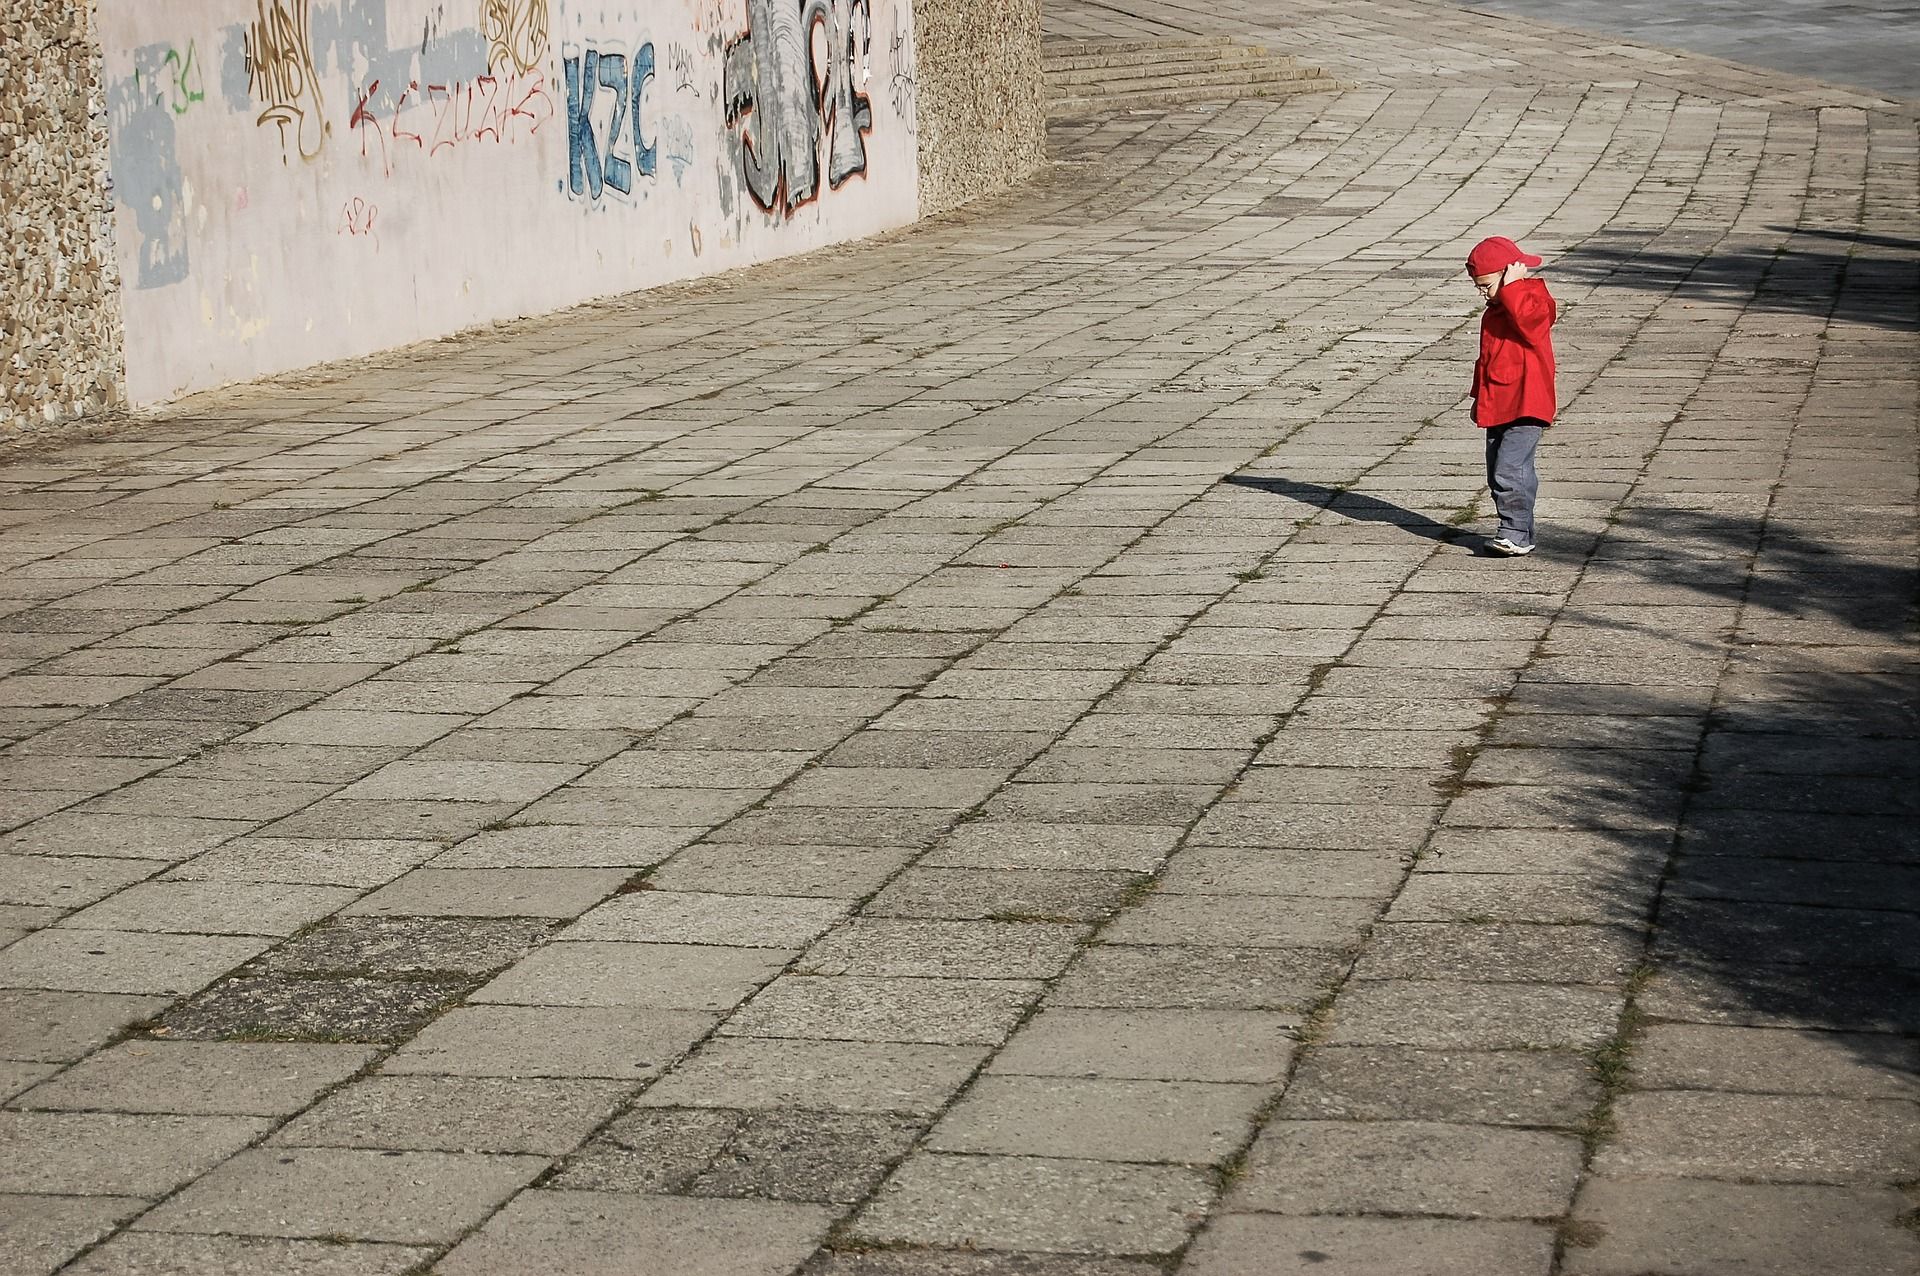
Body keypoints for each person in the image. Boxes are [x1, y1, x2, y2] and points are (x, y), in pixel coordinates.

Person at [1466, 235, 1557, 556]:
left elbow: (1532, 323)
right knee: (1498, 471)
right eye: (1478, 286)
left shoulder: (1533, 298)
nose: (1482, 292)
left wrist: (1513, 286)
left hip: (1527, 404)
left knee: (1510, 469)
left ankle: (1514, 531)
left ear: (1508, 274)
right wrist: (1480, 398)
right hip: (1499, 404)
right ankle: (1522, 531)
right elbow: (1488, 360)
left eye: (1486, 284)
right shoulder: (1495, 310)